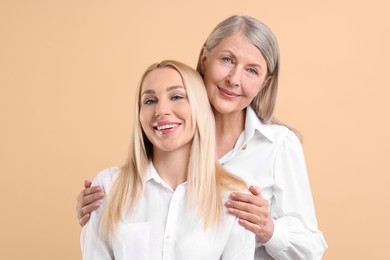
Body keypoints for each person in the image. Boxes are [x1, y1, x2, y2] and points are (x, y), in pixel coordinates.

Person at [77, 15, 328, 259]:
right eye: (227, 60)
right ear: (204, 58)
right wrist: (106, 207)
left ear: (265, 83)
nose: (233, 79)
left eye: (252, 70)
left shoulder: (277, 146)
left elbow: (311, 251)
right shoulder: (171, 125)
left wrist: (267, 228)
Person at [81, 60, 255, 259]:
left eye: (177, 96)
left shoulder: (234, 197)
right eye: (149, 101)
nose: (161, 110)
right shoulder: (107, 187)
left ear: (199, 107)